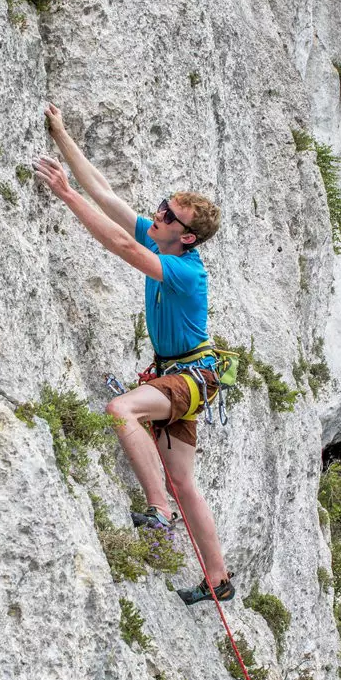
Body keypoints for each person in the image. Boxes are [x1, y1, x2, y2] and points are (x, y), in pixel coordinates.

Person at [35, 103, 233, 604]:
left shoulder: (186, 271)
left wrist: (63, 196)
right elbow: (104, 192)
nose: (159, 214)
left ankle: (156, 512)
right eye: (163, 207)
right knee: (186, 481)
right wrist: (60, 134)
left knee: (121, 409)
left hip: (190, 377)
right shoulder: (164, 239)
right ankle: (219, 579)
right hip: (185, 376)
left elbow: (122, 245)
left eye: (169, 215)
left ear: (185, 236)